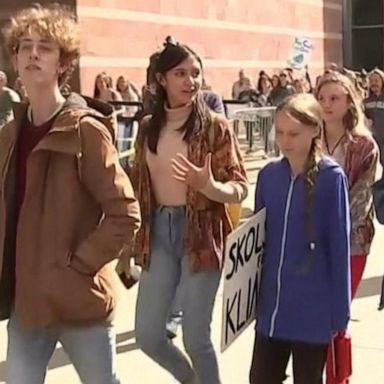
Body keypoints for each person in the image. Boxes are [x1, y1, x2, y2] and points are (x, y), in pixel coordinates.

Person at [1, 5, 141, 383]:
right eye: (25, 46)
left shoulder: (85, 130)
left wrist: (78, 265)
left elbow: (125, 213)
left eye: (44, 47)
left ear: (63, 64)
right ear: (14, 59)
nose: (32, 54)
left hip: (81, 303)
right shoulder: (9, 136)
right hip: (27, 305)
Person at [129, 40, 248, 384]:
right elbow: (138, 187)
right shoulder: (147, 127)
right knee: (148, 336)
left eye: (195, 73)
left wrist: (209, 186)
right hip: (158, 231)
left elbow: (239, 186)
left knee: (196, 338)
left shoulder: (215, 127)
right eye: (180, 73)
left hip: (201, 234)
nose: (190, 81)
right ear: (161, 80)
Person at [249, 93, 351, 384]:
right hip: (271, 307)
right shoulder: (268, 175)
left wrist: (339, 314)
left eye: (293, 133)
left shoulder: (332, 178)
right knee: (260, 378)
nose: (285, 141)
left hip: (313, 309)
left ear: (315, 129)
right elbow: (257, 241)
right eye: (279, 132)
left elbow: (339, 248)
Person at [316, 72, 379, 384]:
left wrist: (332, 232)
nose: (327, 105)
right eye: (322, 98)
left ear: (348, 101)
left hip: (351, 241)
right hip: (311, 240)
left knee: (336, 315)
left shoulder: (363, 145)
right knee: (317, 317)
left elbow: (360, 198)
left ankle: (338, 379)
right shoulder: (309, 138)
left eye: (334, 98)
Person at [363, 68, 384, 167]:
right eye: (371, 81)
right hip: (373, 142)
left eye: (376, 80)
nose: (373, 83)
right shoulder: (365, 102)